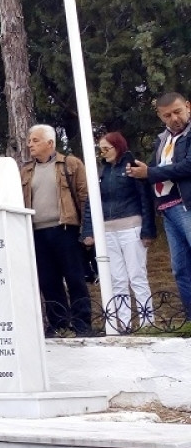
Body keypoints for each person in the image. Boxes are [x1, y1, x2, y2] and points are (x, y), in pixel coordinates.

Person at [21, 123, 91, 335]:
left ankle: (82, 324)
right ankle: (59, 324)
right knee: (48, 280)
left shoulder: (70, 164)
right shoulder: (26, 171)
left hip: (65, 230)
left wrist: (88, 230)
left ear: (50, 143)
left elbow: (85, 197)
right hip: (37, 233)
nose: (30, 144)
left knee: (74, 277)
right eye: (29, 141)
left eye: (35, 140)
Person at [81, 132, 156, 330]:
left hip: (132, 228)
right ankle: (123, 324)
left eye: (107, 149)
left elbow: (145, 199)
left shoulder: (133, 167)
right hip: (107, 232)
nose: (103, 153)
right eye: (101, 150)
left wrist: (148, 230)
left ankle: (148, 324)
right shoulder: (100, 172)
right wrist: (88, 230)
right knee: (117, 279)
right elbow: (91, 203)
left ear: (118, 146)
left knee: (137, 276)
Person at [127, 91, 191, 316]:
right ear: (160, 116)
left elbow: (188, 165)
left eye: (177, 112)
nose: (174, 118)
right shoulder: (162, 139)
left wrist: (150, 173)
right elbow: (154, 170)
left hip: (187, 206)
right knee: (180, 269)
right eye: (167, 115)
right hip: (168, 209)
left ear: (188, 106)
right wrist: (141, 171)